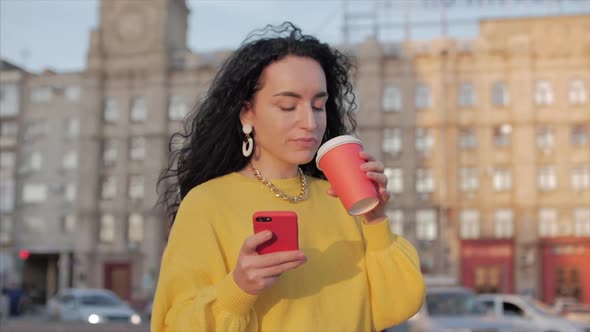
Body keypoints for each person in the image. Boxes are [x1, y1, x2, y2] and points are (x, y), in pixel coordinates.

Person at [152, 22, 425, 332]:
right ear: (247, 113)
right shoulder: (207, 204)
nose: (309, 122)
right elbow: (173, 325)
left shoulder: (343, 201)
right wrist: (238, 289)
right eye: (288, 106)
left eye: (318, 105)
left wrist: (375, 221)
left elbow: (397, 306)